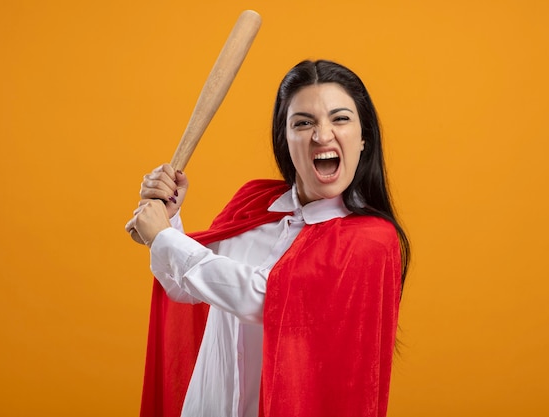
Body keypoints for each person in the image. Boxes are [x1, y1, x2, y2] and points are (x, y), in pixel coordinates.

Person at [126, 59, 410, 417]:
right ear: (285, 138)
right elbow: (187, 289)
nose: (322, 135)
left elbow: (267, 298)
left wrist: (164, 239)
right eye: (303, 123)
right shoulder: (254, 202)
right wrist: (169, 219)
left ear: (364, 137)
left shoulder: (370, 240)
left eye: (340, 119)